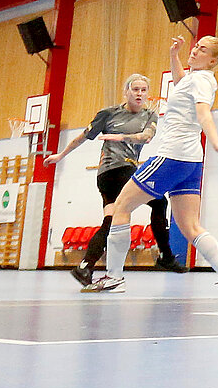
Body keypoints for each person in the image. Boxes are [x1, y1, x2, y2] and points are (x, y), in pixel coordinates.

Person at [88, 34, 218, 294]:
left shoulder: (203, 82)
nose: (195, 50)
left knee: (121, 207)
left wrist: (216, 143)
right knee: (191, 226)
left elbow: (204, 114)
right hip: (190, 162)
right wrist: (174, 55)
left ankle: (114, 278)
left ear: (212, 60)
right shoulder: (195, 79)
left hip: (172, 156)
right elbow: (181, 81)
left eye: (201, 50)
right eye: (196, 46)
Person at [47, 73, 186, 284]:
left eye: (143, 90)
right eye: (135, 90)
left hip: (126, 170)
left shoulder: (150, 115)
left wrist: (121, 137)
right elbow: (82, 137)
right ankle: (166, 257)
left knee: (111, 220)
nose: (139, 94)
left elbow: (146, 137)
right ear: (126, 92)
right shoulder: (109, 114)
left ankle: (85, 266)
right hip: (112, 172)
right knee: (160, 202)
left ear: (147, 94)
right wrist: (61, 154)